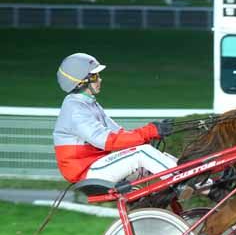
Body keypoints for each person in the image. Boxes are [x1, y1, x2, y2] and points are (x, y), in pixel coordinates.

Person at [53, 53, 177, 185]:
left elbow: (119, 134)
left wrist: (152, 133)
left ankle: (197, 183)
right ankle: (182, 181)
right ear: (80, 82)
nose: (100, 80)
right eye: (94, 77)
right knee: (142, 153)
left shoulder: (88, 104)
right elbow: (107, 141)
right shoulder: (75, 110)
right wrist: (149, 131)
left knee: (162, 157)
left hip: (98, 166)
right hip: (86, 173)